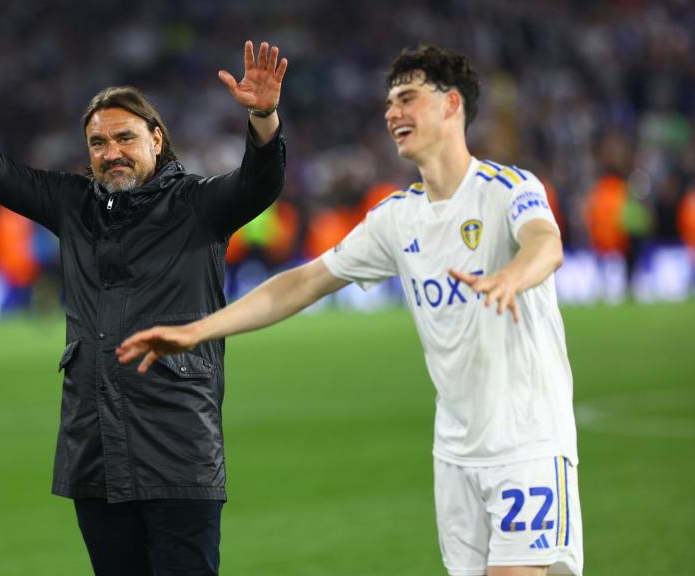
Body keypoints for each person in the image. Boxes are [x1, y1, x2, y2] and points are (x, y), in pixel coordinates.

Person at [118, 44, 583, 576]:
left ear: (452, 104)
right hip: (454, 455)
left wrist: (511, 277)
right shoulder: (397, 218)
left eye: (408, 97)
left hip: (526, 444)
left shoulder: (508, 188)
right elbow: (302, 283)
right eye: (389, 102)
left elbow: (546, 244)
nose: (392, 112)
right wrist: (197, 330)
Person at [0, 22, 288, 576]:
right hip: (95, 450)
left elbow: (259, 182)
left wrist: (263, 119)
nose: (111, 153)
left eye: (125, 138)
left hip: (179, 449)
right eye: (99, 143)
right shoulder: (72, 204)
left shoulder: (198, 206)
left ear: (156, 138)